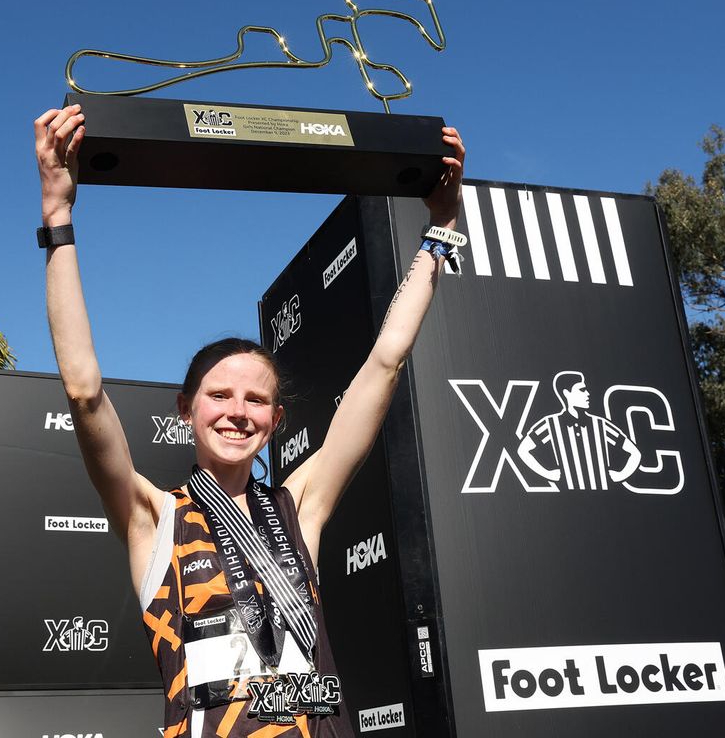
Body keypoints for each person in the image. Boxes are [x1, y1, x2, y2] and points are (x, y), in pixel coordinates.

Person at [35, 102, 464, 737]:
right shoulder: (154, 516)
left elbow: (385, 363)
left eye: (256, 400)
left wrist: (441, 228)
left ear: (276, 419)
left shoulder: (301, 505)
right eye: (219, 395)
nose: (238, 411)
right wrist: (58, 217)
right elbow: (84, 390)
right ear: (186, 410)